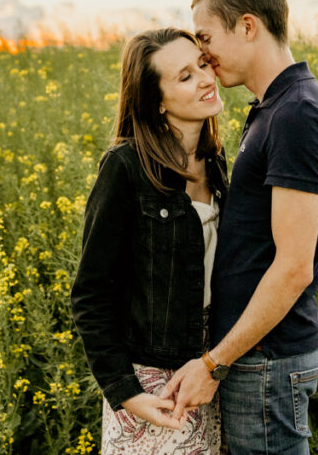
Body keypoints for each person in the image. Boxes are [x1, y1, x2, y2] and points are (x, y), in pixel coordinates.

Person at [160, 0, 318, 454]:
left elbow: (292, 268)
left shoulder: (296, 114)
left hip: (265, 358)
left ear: (247, 26)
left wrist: (214, 363)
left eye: (206, 37)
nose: (203, 55)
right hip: (257, 354)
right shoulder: (273, 107)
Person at [71, 27, 228, 453]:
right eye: (184, 77)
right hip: (153, 387)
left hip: (210, 374)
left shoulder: (217, 163)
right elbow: (90, 294)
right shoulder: (125, 168)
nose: (205, 78)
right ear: (156, 101)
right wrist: (127, 393)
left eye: (201, 64)